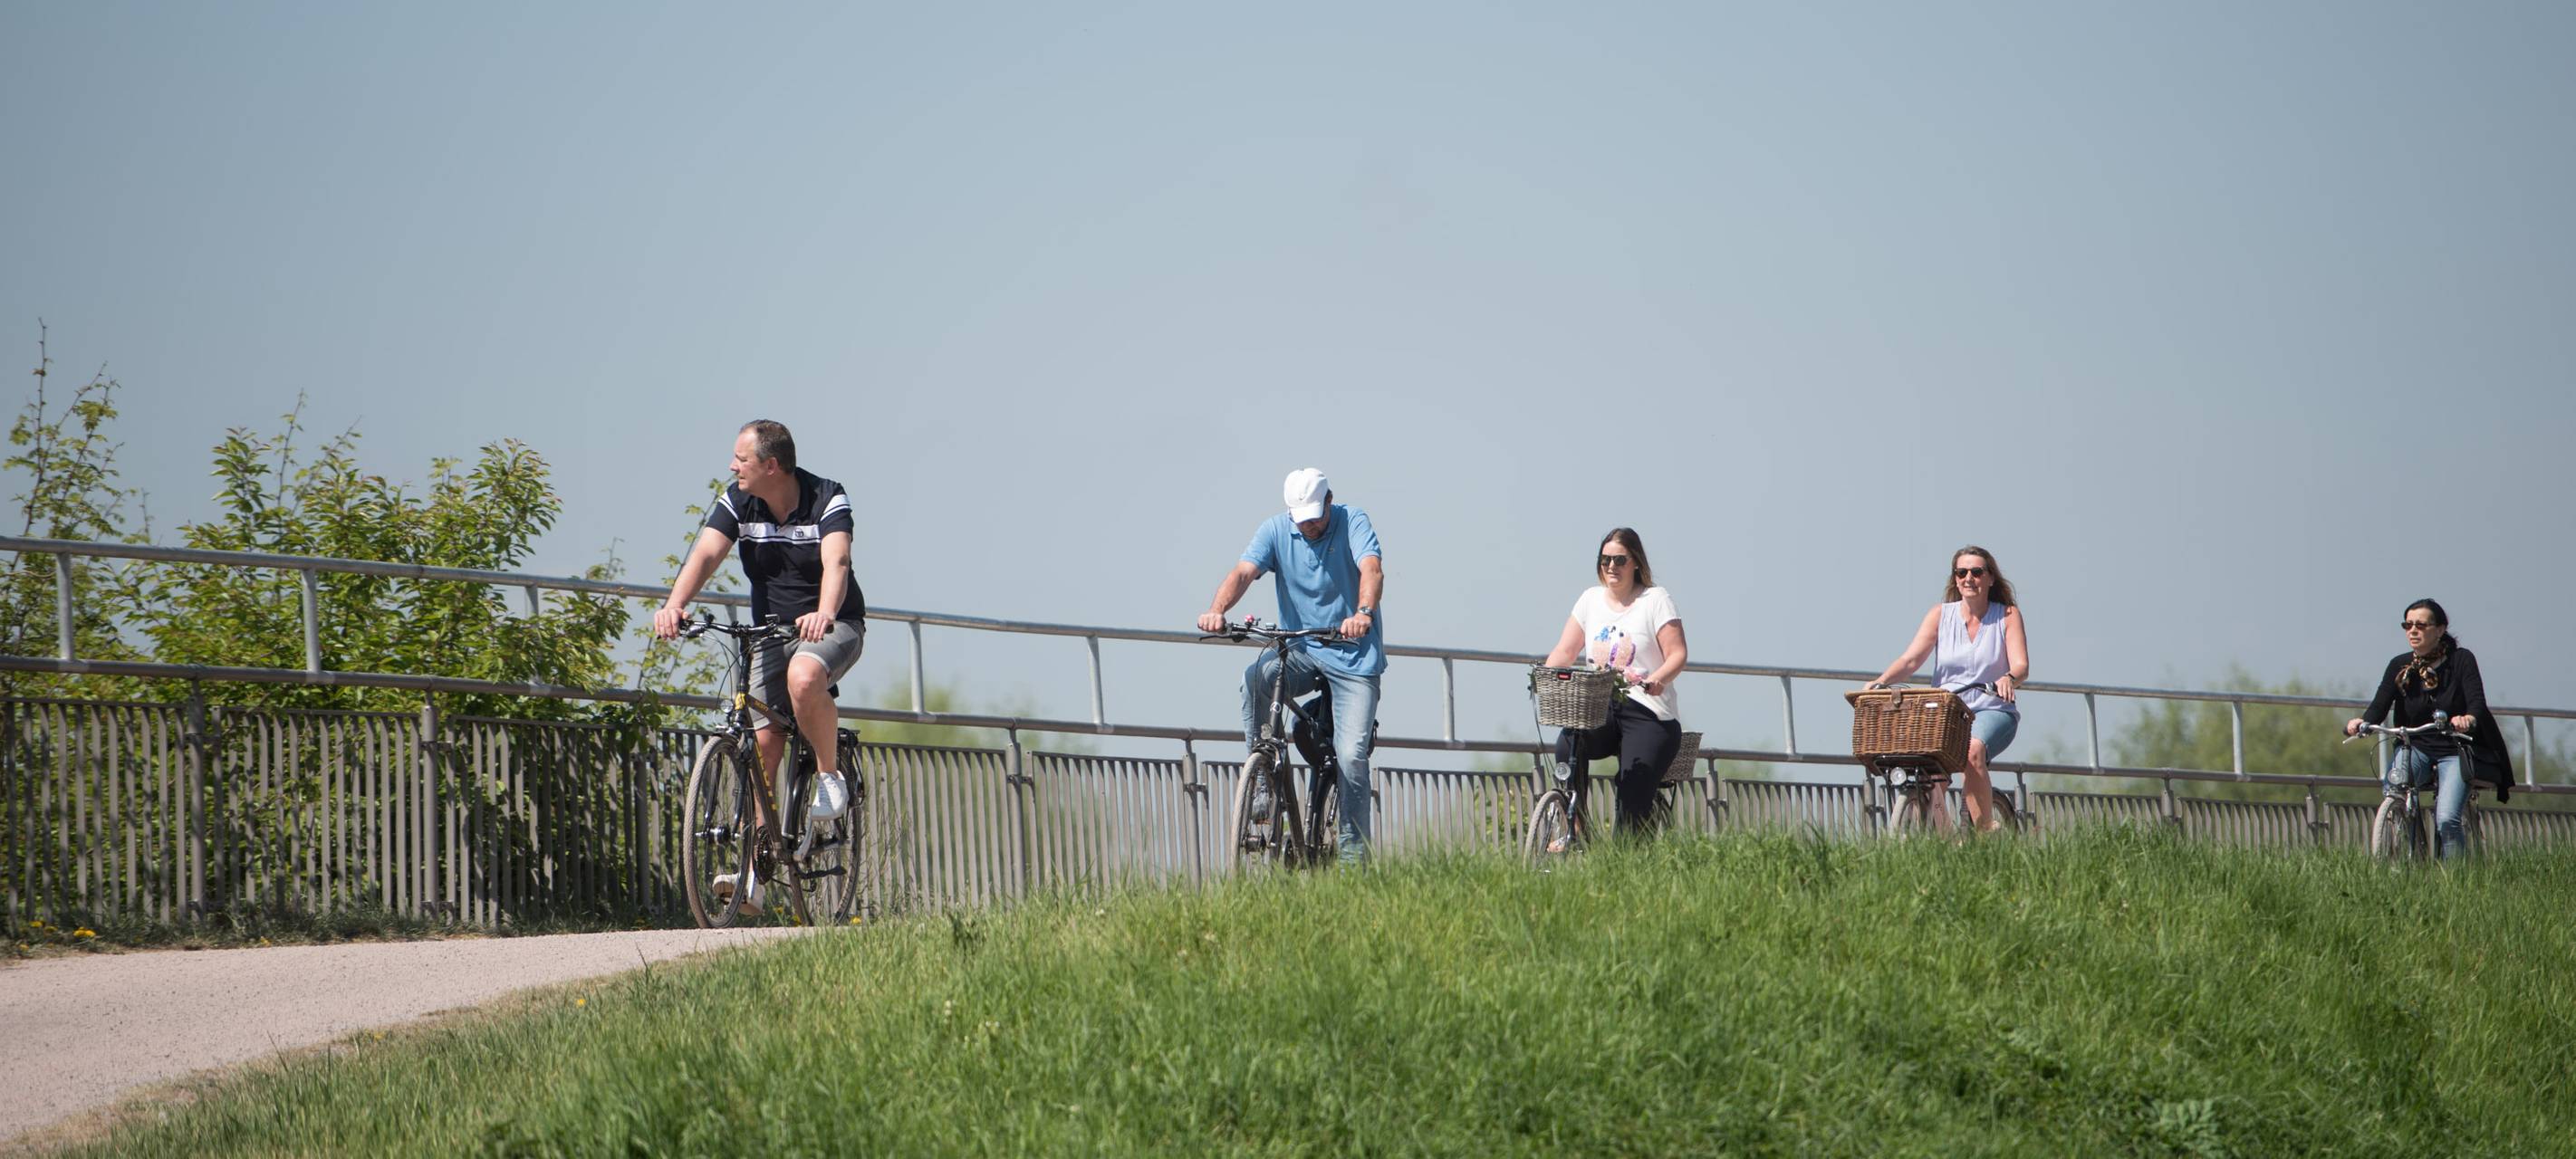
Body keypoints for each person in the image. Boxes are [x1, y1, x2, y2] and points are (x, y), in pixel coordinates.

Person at [654, 420, 867, 905]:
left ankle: (829, 777)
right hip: (769, 633)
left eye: (741, 460)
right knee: (761, 746)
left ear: (772, 465)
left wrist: (825, 613)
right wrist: (675, 604)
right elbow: (708, 551)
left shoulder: (827, 498)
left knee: (805, 674)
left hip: (834, 627)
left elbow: (837, 563)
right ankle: (753, 876)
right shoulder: (739, 500)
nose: (733, 467)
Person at [1197, 468, 1385, 862]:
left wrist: (1363, 612)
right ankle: (1262, 778)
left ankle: (1354, 863)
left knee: (1350, 756)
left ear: (1330, 501)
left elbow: (1371, 568)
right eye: (1302, 519)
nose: (1311, 525)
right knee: (1256, 678)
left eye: (1316, 516)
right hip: (1302, 649)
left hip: (1352, 654)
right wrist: (1216, 610)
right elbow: (1244, 572)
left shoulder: (1353, 521)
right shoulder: (1275, 530)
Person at [1865, 545, 2029, 833]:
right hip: (1947, 710)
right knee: (1928, 769)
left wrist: (2008, 678)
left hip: (1991, 708)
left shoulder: (2007, 615)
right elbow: (1911, 659)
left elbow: (2021, 666)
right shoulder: (1941, 615)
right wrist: (1881, 682)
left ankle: (1983, 832)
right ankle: (1946, 839)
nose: (1969, 578)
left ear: (1990, 578)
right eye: (1962, 572)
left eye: (1977, 572)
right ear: (1955, 579)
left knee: (1972, 751)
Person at [1537, 528, 1687, 839]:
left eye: (1619, 559)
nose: (1611, 566)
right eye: (1605, 560)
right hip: (1601, 705)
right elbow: (1566, 650)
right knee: (1569, 743)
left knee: (1632, 793)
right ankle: (1574, 828)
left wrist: (1657, 679)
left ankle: (1625, 863)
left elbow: (1677, 654)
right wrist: (1546, 675)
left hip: (1648, 710)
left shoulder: (1655, 600)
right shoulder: (1590, 599)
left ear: (1635, 562)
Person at [2344, 599, 2516, 859]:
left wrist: (2467, 718)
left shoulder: (2461, 660)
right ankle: (2412, 850)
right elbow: (2380, 704)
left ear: (2440, 629)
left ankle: (2455, 882)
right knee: (2396, 787)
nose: (2413, 630)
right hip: (2416, 746)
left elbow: (2477, 702)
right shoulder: (2400, 666)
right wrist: (2361, 723)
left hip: (2454, 749)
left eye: (2421, 625)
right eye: (2408, 625)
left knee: (2447, 819)